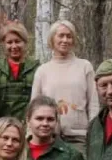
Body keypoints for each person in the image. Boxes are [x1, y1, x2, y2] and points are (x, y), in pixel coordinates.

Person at [30, 20, 99, 151]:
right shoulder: (42, 71)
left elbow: (93, 104)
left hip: (80, 138)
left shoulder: (85, 66)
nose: (65, 40)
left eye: (69, 36)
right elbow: (34, 106)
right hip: (49, 138)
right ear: (52, 39)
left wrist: (93, 132)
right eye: (60, 35)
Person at [0, 20, 39, 120]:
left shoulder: (37, 69)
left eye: (17, 41)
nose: (14, 46)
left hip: (30, 127)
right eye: (9, 42)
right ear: (4, 44)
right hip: (1, 127)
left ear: (25, 42)